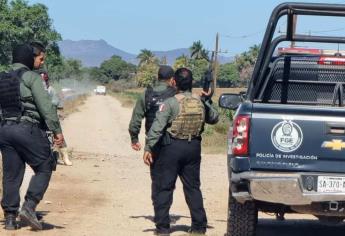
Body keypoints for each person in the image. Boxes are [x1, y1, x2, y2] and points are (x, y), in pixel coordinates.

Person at [143, 68, 219, 235]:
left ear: (174, 82)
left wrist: (149, 147)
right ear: (192, 83)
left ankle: (163, 228)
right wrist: (207, 99)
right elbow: (214, 118)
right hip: (193, 148)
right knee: (193, 187)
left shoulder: (171, 103)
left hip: (172, 148)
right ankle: (199, 227)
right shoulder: (199, 102)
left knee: (165, 187)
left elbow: (157, 127)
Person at [0, 42, 64, 231]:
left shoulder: (2, 77)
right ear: (28, 58)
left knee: (11, 174)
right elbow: (46, 107)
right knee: (45, 164)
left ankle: (10, 218)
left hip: (4, 131)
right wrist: (57, 131)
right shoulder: (31, 77)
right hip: (26, 129)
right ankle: (29, 206)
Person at [128, 65, 176, 151]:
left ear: (158, 77)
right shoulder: (175, 94)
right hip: (172, 141)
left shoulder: (146, 94)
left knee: (155, 164)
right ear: (172, 79)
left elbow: (136, 120)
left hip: (152, 141)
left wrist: (134, 139)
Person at [39, 70, 72, 166]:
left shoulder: (51, 90)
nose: (43, 81)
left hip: (50, 116)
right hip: (39, 116)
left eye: (44, 79)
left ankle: (65, 157)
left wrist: (56, 110)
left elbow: (56, 103)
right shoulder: (35, 89)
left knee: (58, 133)